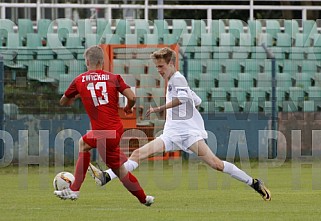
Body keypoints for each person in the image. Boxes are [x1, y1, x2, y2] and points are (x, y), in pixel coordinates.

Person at [88, 47, 271, 201]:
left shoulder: (177, 78)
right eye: (157, 66)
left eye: (161, 66)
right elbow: (196, 100)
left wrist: (160, 107)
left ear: (170, 64)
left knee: (216, 164)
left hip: (188, 134)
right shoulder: (175, 81)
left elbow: (183, 99)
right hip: (171, 133)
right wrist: (190, 98)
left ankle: (254, 183)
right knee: (138, 153)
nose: (159, 70)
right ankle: (106, 177)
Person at [54, 45, 154, 206]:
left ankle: (74, 190)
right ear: (102, 62)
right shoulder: (114, 78)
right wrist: (128, 108)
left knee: (85, 146)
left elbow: (63, 101)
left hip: (103, 133)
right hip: (115, 130)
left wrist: (79, 95)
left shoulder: (79, 80)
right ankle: (144, 199)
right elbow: (132, 97)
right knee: (119, 169)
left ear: (87, 61)